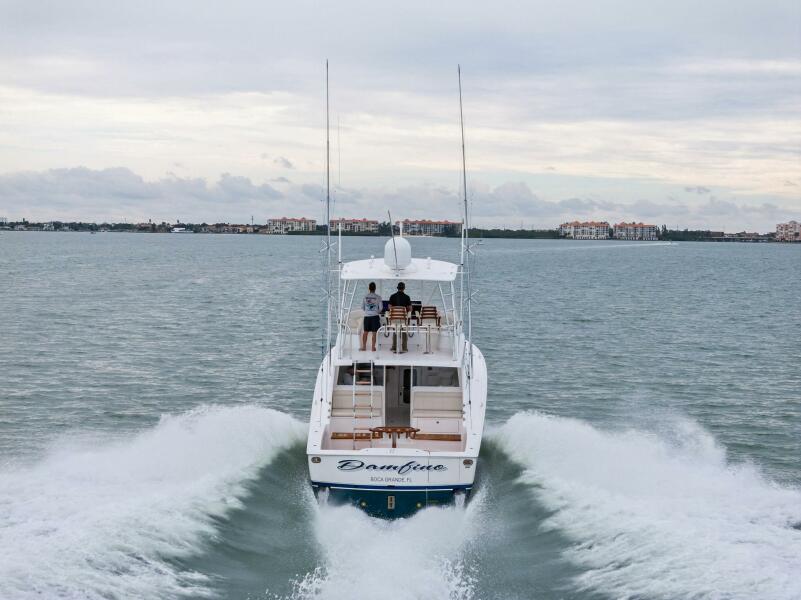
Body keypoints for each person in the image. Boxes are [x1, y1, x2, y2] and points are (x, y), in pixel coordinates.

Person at [389, 281, 411, 352]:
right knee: (404, 330)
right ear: (404, 288)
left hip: (394, 319)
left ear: (397, 288)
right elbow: (410, 309)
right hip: (403, 319)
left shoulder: (392, 296)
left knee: (395, 330)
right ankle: (404, 348)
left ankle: (394, 347)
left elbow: (389, 307)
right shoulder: (407, 297)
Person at [360, 282, 382, 351]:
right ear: (375, 288)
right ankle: (373, 347)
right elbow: (381, 308)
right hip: (375, 317)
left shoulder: (365, 297)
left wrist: (368, 311)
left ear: (369, 288)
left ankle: (364, 347)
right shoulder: (378, 297)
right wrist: (376, 312)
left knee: (365, 332)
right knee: (374, 333)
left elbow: (362, 307)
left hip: (367, 317)